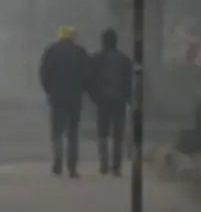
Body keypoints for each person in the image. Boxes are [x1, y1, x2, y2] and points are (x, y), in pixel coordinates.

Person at [39, 25, 90, 177]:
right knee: (72, 132)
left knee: (57, 131)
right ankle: (72, 167)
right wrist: (83, 90)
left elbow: (44, 73)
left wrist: (49, 89)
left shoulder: (51, 51)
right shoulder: (80, 52)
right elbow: (87, 74)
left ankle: (58, 160)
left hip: (57, 96)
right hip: (74, 97)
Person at [88, 28, 133, 176]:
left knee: (102, 133)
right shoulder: (124, 59)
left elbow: (91, 80)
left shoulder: (96, 59)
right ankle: (116, 166)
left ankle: (104, 163)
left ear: (103, 42)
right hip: (119, 100)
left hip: (102, 101)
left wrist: (93, 96)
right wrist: (129, 98)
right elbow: (129, 81)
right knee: (118, 134)